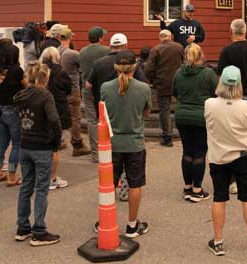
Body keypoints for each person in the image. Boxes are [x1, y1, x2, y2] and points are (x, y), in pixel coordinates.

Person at [204, 65, 247, 257]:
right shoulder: (246, 106)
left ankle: (218, 241)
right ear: (239, 83)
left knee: (219, 197)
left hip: (218, 157)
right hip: (241, 155)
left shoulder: (209, 104)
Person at [100, 50, 152, 237]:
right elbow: (145, 113)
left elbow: (103, 114)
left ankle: (106, 221)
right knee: (135, 183)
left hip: (112, 142)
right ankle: (132, 225)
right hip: (134, 142)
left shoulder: (105, 88)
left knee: (109, 184)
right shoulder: (144, 88)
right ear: (135, 66)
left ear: (115, 67)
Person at [13, 62, 63, 247]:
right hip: (42, 145)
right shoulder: (45, 95)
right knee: (42, 188)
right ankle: (39, 230)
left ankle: (22, 226)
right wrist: (56, 142)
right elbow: (54, 120)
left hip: (25, 143)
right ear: (44, 78)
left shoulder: (20, 96)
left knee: (26, 186)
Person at [172, 44, 218, 202]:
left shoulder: (178, 73)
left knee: (187, 151)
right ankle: (197, 189)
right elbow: (216, 93)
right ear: (201, 55)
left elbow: (175, 92)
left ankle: (187, 186)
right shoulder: (208, 74)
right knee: (199, 152)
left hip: (182, 115)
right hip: (201, 116)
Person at [0, 44, 25, 186]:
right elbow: (25, 84)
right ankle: (11, 175)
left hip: (0, 107)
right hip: (13, 108)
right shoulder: (17, 70)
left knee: (3, 140)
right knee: (17, 143)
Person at [145, 29, 185, 147]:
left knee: (164, 109)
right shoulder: (179, 47)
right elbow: (185, 62)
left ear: (160, 38)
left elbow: (148, 69)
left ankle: (167, 137)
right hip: (179, 81)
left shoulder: (156, 49)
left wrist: (151, 81)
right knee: (182, 105)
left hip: (162, 83)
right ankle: (184, 132)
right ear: (170, 37)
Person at [40, 47, 71, 190]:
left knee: (44, 142)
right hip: (58, 108)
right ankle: (51, 178)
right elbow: (69, 89)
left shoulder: (39, 70)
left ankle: (42, 174)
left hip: (40, 109)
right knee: (54, 146)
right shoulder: (61, 72)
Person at [78, 26, 110, 163]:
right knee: (107, 117)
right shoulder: (107, 51)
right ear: (100, 38)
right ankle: (108, 149)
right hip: (103, 89)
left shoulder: (82, 51)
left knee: (91, 120)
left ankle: (95, 153)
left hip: (87, 88)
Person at [218, 19, 247, 107]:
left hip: (231, 96)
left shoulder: (226, 51)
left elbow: (221, 77)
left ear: (231, 31)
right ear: (245, 32)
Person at [57, 27, 88, 156]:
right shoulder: (73, 53)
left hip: (59, 89)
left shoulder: (55, 51)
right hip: (73, 89)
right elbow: (83, 67)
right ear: (70, 38)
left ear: (59, 38)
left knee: (59, 116)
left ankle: (58, 141)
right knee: (75, 117)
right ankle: (77, 144)